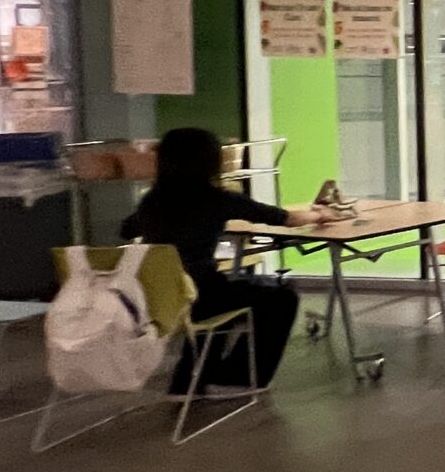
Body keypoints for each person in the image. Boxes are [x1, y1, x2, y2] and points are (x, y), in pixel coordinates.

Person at [120, 126, 321, 388]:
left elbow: (127, 230)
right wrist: (318, 214)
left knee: (225, 294)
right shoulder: (218, 200)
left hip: (158, 298)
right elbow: (286, 219)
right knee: (282, 296)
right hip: (200, 293)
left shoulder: (152, 202)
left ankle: (192, 377)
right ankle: (239, 374)